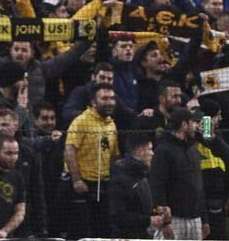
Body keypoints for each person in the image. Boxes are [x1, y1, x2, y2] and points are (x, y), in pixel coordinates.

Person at [64, 81, 119, 238]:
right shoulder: (81, 121)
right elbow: (69, 150)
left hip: (103, 184)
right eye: (104, 99)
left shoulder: (111, 124)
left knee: (103, 231)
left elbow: (113, 155)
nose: (109, 102)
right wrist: (76, 180)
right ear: (93, 102)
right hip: (82, 185)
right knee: (81, 232)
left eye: (112, 98)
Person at [149, 108, 205, 240]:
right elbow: (157, 188)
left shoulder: (192, 149)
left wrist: (205, 219)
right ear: (184, 125)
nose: (196, 126)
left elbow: (199, 186)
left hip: (195, 218)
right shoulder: (164, 150)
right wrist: (165, 221)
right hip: (174, 219)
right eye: (193, 122)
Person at [108, 132, 169, 239]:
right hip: (126, 236)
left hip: (145, 235)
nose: (152, 153)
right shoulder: (120, 179)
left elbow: (143, 206)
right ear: (140, 152)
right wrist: (148, 220)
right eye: (150, 149)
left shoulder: (143, 175)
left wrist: (159, 210)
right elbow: (118, 215)